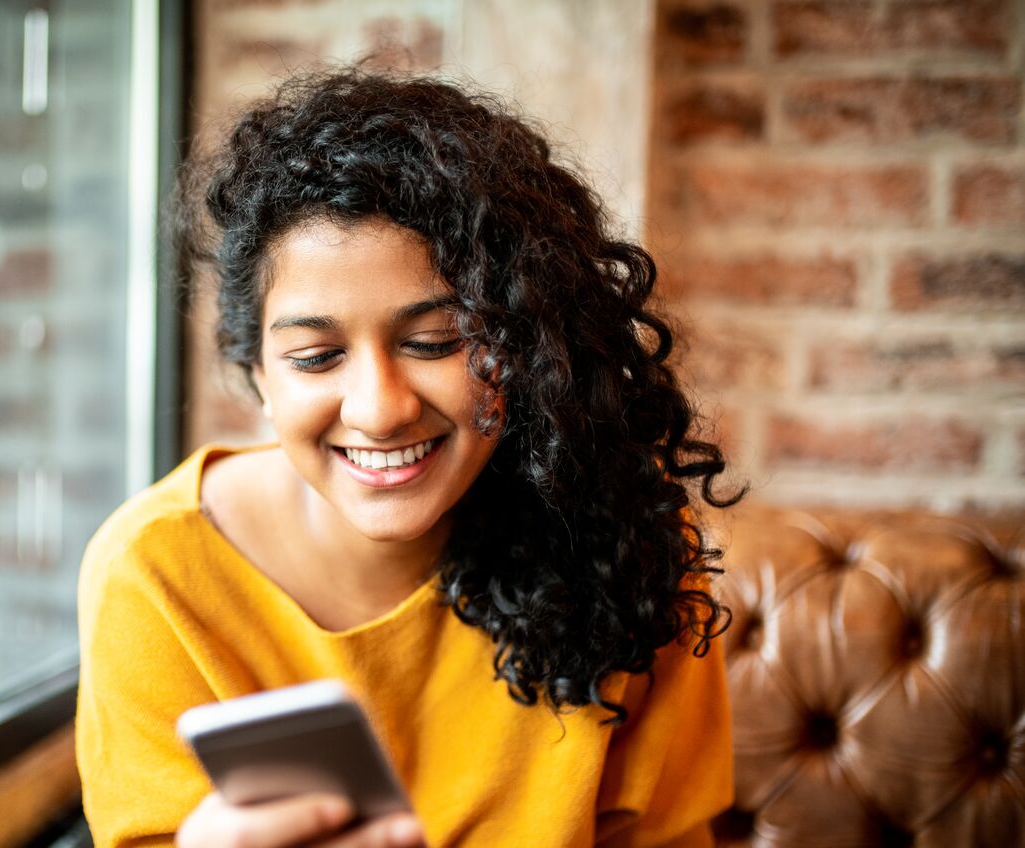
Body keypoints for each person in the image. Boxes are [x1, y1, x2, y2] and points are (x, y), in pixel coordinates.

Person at [75, 69, 742, 848]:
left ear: (527, 345)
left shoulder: (622, 530)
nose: (380, 408)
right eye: (317, 357)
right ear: (258, 374)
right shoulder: (156, 574)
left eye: (436, 343)